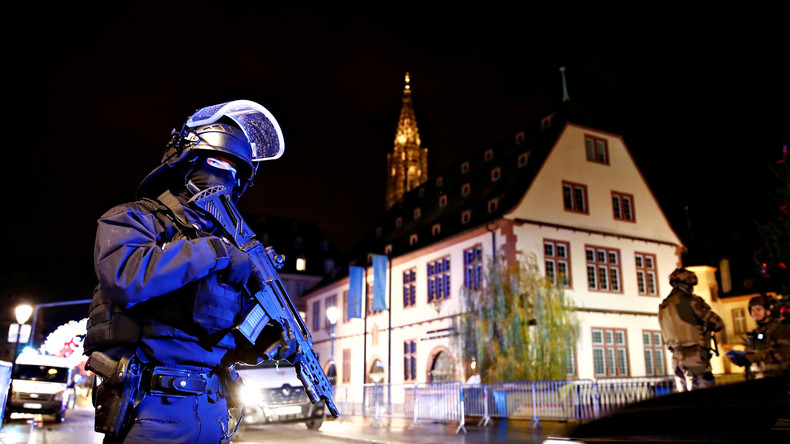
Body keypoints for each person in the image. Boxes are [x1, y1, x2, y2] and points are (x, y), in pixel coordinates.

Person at [84, 100, 293, 443]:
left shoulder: (232, 255)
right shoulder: (135, 218)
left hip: (214, 408)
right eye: (215, 161)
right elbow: (125, 277)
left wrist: (263, 342)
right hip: (151, 405)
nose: (225, 176)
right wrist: (215, 251)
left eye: (235, 171)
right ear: (185, 163)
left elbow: (218, 335)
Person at [658, 267, 724, 391]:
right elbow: (717, 323)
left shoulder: (665, 305)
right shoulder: (691, 301)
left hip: (676, 358)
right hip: (695, 357)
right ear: (689, 284)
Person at [728, 295, 790, 379]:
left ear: (767, 311)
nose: (755, 313)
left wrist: (753, 357)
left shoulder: (779, 329)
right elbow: (750, 355)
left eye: (758, 309)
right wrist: (740, 359)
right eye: (752, 310)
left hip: (776, 377)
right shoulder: (753, 334)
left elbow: (784, 354)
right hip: (755, 377)